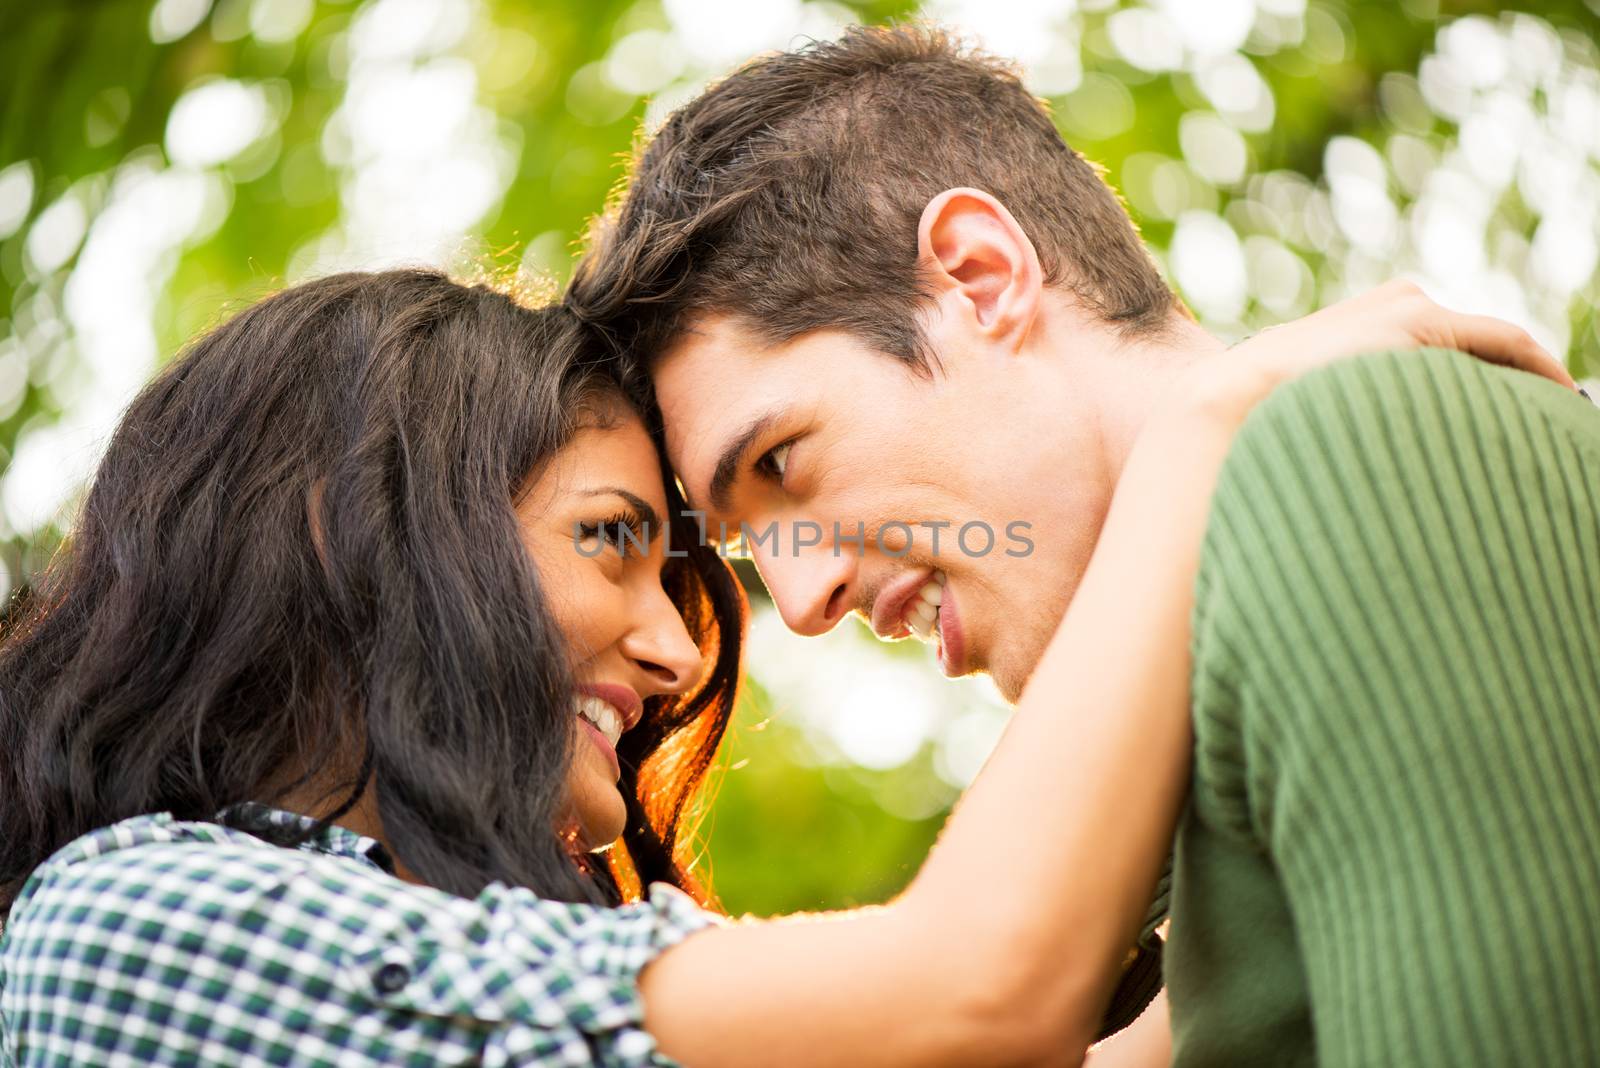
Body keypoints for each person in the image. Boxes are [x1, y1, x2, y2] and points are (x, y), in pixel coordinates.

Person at [0, 270, 1556, 1067]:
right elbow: (979, 992)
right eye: (610, 538)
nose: (685, 649)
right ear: (355, 529)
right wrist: (1207, 436)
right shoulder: (134, 922)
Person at [566, 24, 1600, 1067]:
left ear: (979, 277)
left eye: (782, 464)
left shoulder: (1348, 454)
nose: (799, 601)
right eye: (745, 546)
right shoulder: (1143, 833)